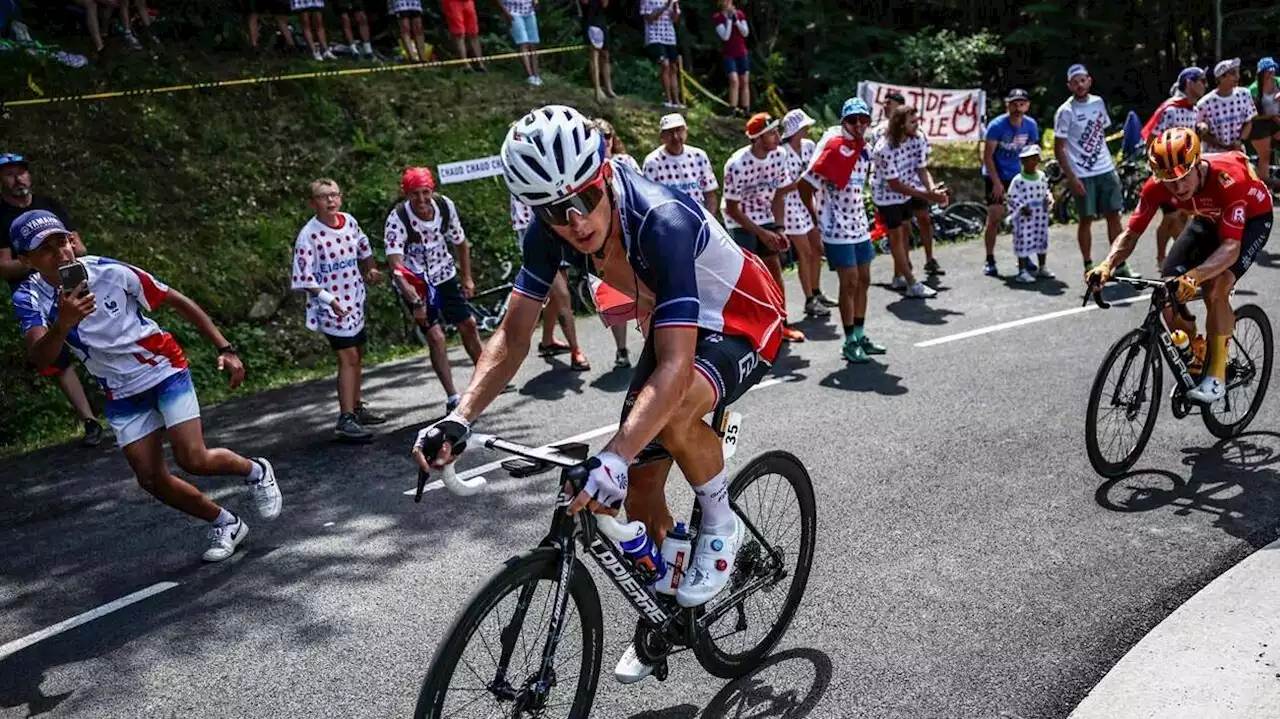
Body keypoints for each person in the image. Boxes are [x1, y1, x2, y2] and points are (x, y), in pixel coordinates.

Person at [413, 103, 785, 684]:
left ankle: (721, 522)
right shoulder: (548, 232)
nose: (576, 220)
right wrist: (459, 416)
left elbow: (676, 365)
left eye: (585, 198)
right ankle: (671, 612)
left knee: (667, 415)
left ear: (605, 171)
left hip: (740, 321)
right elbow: (513, 335)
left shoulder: (661, 221)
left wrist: (612, 453)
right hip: (672, 318)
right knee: (637, 487)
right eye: (557, 213)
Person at [10, 211, 283, 562]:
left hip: (162, 368)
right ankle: (226, 523)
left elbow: (177, 300)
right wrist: (62, 325)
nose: (60, 253)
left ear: (71, 239)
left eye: (60, 241)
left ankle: (256, 470)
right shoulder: (29, 298)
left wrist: (225, 348)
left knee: (193, 458)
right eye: (45, 249)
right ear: (25, 260)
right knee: (151, 480)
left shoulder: (108, 271)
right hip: (119, 390)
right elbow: (40, 357)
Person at [1086, 127, 1272, 404]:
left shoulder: (1227, 179)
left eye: (1184, 178)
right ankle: (1196, 348)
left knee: (1215, 288)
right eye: (1169, 182)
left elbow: (1231, 248)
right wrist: (1106, 265)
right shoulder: (1156, 186)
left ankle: (1217, 378)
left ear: (1197, 164)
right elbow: (1131, 233)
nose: (1178, 188)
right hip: (1206, 218)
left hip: (1251, 222)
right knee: (1167, 286)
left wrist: (1195, 276)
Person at [0, 153, 103, 446]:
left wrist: (61, 256)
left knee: (95, 333)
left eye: (21, 172)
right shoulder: (1, 217)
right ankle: (89, 420)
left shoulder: (50, 206)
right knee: (53, 352)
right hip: (32, 291)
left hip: (71, 280)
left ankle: (125, 398)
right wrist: (40, 260)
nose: (18, 178)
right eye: (9, 174)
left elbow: (78, 245)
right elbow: (3, 265)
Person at [291, 178, 386, 441]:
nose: (331, 201)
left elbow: (364, 248)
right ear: (313, 203)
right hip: (331, 307)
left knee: (358, 353)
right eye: (324, 197)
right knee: (347, 358)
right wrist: (328, 299)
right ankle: (345, 419)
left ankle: (355, 407)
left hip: (354, 299)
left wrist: (371, 269)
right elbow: (304, 278)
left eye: (334, 195)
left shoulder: (350, 222)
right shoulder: (308, 236)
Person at [384, 167, 484, 412]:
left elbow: (461, 243)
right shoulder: (398, 219)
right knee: (436, 337)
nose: (421, 200)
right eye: (414, 194)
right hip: (415, 282)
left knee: (468, 324)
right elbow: (396, 266)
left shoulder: (445, 207)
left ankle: (486, 379)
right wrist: (415, 301)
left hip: (444, 274)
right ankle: (452, 396)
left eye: (425, 193)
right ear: (405, 194)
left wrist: (467, 277)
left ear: (433, 190)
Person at [800, 98, 882, 363]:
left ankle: (859, 334)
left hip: (859, 225)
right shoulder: (834, 148)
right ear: (843, 122)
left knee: (865, 280)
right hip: (836, 229)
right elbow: (805, 186)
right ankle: (848, 342)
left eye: (864, 119)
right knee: (850, 283)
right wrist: (815, 223)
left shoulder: (863, 150)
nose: (859, 124)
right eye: (852, 120)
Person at [722, 112, 806, 341]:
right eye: (771, 133)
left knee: (774, 267)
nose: (778, 137)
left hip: (766, 215)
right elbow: (731, 208)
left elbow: (779, 193)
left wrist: (778, 229)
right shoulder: (736, 164)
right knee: (748, 275)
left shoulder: (779, 156)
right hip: (739, 220)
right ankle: (749, 329)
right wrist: (761, 233)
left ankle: (781, 324)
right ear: (757, 139)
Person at [1054, 64, 1136, 277]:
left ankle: (1119, 264)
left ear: (1089, 81)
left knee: (1114, 215)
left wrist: (1112, 165)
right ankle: (1088, 264)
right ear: (1069, 85)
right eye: (1075, 82)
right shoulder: (1065, 111)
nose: (1080, 85)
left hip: (1105, 168)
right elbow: (1059, 147)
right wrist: (1071, 178)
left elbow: (1101, 134)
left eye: (1083, 80)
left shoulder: (1098, 103)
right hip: (1082, 173)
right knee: (1086, 219)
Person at [871, 106, 943, 299]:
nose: (917, 124)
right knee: (896, 237)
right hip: (886, 196)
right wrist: (928, 196)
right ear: (900, 124)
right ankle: (912, 283)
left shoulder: (918, 138)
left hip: (906, 191)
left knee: (905, 234)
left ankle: (898, 276)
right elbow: (894, 185)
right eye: (912, 121)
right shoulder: (883, 149)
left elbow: (922, 169)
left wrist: (932, 189)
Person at [511, 194, 590, 369]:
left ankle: (547, 341)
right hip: (539, 238)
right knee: (562, 294)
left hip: (558, 231)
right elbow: (524, 219)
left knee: (556, 296)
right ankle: (576, 351)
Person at [1141, 66, 1208, 266]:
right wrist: (1158, 168)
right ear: (1189, 83)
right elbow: (1152, 138)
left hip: (1185, 173)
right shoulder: (1170, 109)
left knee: (1184, 216)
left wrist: (1200, 129)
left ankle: (1177, 257)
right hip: (1167, 172)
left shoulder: (1194, 109)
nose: (1205, 85)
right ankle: (1163, 258)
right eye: (1201, 80)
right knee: (1171, 216)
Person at [981, 88, 1040, 277]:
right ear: (1008, 105)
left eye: (1021, 103)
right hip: (996, 174)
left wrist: (1034, 178)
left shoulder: (1030, 125)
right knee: (995, 216)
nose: (1017, 107)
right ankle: (990, 258)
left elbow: (1032, 154)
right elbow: (987, 157)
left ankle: (1023, 256)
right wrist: (997, 183)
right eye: (1014, 103)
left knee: (1023, 218)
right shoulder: (997, 125)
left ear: (1027, 105)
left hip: (1018, 176)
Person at [593, 118, 637, 366]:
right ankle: (622, 350)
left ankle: (658, 345)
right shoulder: (584, 169)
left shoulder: (626, 162)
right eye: (598, 137)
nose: (603, 141)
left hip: (629, 233)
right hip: (604, 241)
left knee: (648, 293)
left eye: (607, 136)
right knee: (614, 298)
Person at [779, 108, 828, 318]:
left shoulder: (809, 146)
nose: (808, 129)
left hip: (809, 200)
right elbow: (786, 184)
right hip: (790, 205)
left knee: (817, 248)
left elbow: (817, 170)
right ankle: (809, 299)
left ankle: (816, 291)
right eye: (804, 126)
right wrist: (805, 180)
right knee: (805, 252)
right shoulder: (782, 153)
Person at [641, 113, 719, 212]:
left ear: (686, 131)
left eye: (679, 130)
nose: (675, 137)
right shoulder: (652, 162)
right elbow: (649, 200)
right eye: (670, 132)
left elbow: (710, 195)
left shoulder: (699, 156)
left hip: (699, 217)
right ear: (662, 136)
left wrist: (709, 223)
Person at [1006, 145, 1054, 283]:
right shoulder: (1018, 180)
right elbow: (1011, 197)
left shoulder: (1042, 176)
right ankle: (1022, 271)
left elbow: (1046, 191)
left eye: (1034, 159)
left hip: (1040, 215)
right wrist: (1021, 207)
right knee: (1023, 241)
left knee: (1041, 239)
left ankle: (1042, 266)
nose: (1031, 162)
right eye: (1028, 160)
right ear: (1022, 162)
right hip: (1025, 217)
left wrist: (1049, 199)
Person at [1196, 58, 1255, 153]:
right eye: (1233, 73)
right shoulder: (1205, 103)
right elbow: (1201, 132)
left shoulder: (1244, 94)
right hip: (1214, 155)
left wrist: (1240, 141)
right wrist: (1220, 144)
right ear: (1221, 78)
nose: (1237, 77)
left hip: (1237, 152)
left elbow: (1249, 121)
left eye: (1237, 72)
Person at [639, 0, 682, 109]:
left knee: (673, 68)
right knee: (665, 65)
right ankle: (668, 99)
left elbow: (674, 19)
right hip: (654, 36)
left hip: (670, 37)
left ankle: (676, 101)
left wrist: (675, 11)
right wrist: (665, 7)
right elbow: (649, 18)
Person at [712, 0, 749, 116]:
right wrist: (728, 19)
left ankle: (746, 108)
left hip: (742, 52)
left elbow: (745, 33)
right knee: (734, 80)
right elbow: (725, 37)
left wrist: (736, 21)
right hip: (729, 54)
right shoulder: (718, 17)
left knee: (744, 81)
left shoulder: (740, 14)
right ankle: (733, 108)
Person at [1247, 57, 1280, 189]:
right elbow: (1252, 115)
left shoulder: (1277, 82)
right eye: (1268, 70)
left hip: (1275, 120)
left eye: (1273, 69)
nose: (1271, 73)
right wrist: (1271, 116)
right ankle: (1264, 185)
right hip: (1259, 123)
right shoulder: (1253, 89)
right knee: (1264, 155)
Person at [579, 0, 617, 103]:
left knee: (605, 55)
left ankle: (609, 88)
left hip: (601, 21)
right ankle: (597, 89)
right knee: (594, 55)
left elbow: (605, 4)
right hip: (590, 21)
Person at [495, 0, 540, 85]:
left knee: (534, 43)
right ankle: (530, 76)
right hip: (513, 12)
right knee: (523, 43)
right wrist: (506, 12)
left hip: (529, 11)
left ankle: (536, 75)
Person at [442, 0, 485, 71]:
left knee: (473, 33)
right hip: (452, 2)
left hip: (468, 2)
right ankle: (465, 65)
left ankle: (480, 64)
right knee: (459, 33)